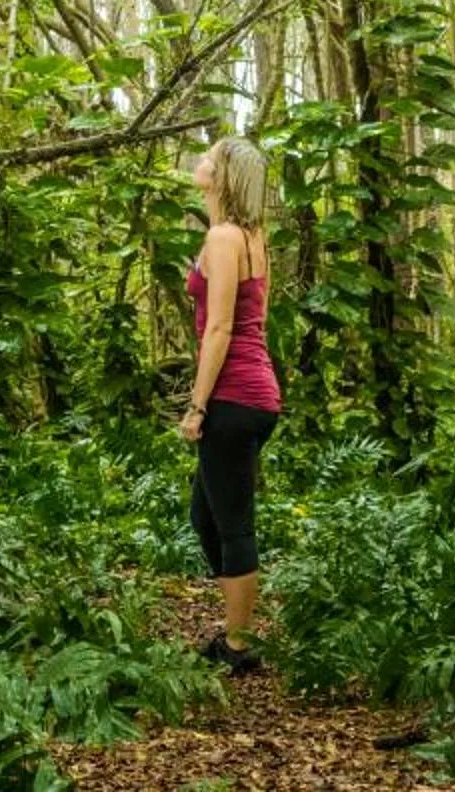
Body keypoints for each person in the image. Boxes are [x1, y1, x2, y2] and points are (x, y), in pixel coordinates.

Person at [179, 133, 281, 675]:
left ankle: (240, 648)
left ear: (224, 177)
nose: (202, 159)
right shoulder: (249, 235)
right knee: (206, 517)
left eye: (212, 157)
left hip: (235, 396)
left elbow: (220, 327)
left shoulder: (224, 237)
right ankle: (234, 631)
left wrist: (197, 407)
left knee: (234, 523)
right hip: (251, 393)